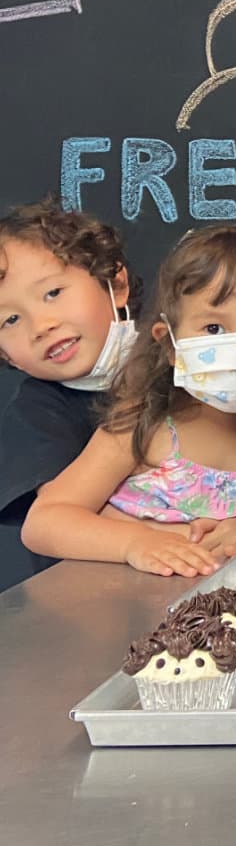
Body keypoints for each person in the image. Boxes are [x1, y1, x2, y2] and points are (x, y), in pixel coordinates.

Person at [22, 225, 236, 576]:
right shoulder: (143, 425)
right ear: (170, 344)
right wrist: (134, 543)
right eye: (213, 329)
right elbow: (45, 521)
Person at [0, 199, 140, 589]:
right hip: (91, 600)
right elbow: (67, 519)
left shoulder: (182, 366)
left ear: (116, 283)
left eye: (53, 293)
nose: (41, 325)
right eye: (9, 320)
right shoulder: (36, 413)